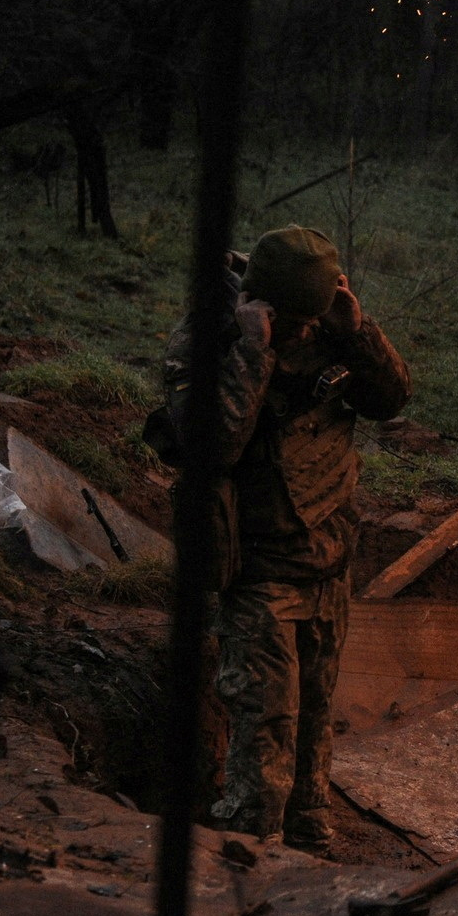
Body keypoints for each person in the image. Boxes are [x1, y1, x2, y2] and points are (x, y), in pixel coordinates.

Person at [163, 224, 410, 850]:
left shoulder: (333, 326)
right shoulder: (212, 340)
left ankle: (308, 831)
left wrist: (357, 334)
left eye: (312, 317)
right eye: (292, 318)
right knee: (266, 726)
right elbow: (214, 447)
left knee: (316, 718)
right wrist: (255, 349)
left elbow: (392, 399)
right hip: (259, 568)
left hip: (328, 556)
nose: (305, 331)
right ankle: (249, 851)